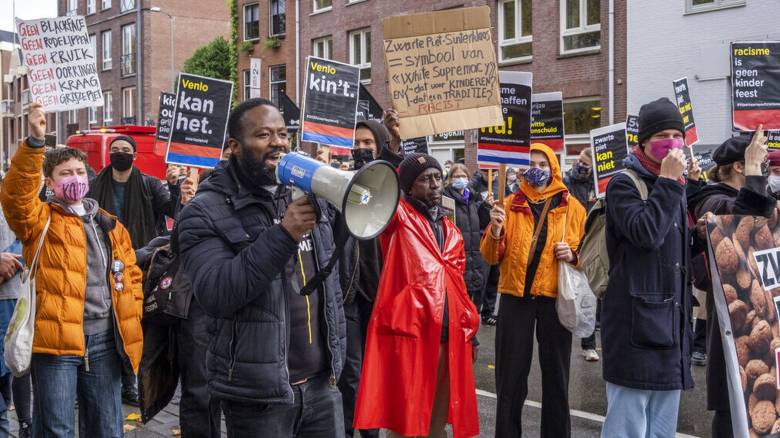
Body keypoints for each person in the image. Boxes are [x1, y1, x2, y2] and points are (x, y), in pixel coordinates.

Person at [177, 98, 346, 437]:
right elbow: (218, 293)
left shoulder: (306, 194)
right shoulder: (203, 211)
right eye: (264, 135)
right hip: (259, 397)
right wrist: (284, 234)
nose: (279, 143)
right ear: (234, 147)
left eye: (283, 134)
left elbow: (333, 283)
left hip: (322, 386)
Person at [1, 103, 143, 437]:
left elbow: (130, 274)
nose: (75, 179)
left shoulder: (109, 224)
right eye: (65, 174)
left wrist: (130, 312)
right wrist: (36, 142)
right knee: (56, 428)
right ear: (49, 182)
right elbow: (16, 199)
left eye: (79, 172)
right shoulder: (40, 221)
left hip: (105, 342)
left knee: (107, 427)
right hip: (56, 344)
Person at [354, 153, 480, 438]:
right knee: (407, 421)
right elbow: (374, 194)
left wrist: (471, 332)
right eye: (424, 179)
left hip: (448, 340)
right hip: (412, 338)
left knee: (437, 421)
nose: (434, 184)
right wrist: (390, 151)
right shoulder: (396, 218)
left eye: (437, 177)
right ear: (408, 187)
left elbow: (458, 286)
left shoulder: (450, 230)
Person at [599, 97, 696, 437]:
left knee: (660, 431)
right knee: (627, 428)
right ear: (643, 142)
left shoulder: (678, 188)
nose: (672, 142)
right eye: (663, 135)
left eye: (677, 134)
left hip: (670, 332)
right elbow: (646, 234)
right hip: (634, 332)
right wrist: (669, 183)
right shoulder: (624, 184)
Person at [481, 143, 586, 438]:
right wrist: (496, 232)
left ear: (553, 168)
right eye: (531, 163)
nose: (536, 169)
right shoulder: (508, 203)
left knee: (556, 380)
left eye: (542, 164)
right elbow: (490, 256)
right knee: (510, 380)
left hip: (555, 300)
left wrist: (573, 255)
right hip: (515, 299)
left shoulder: (571, 206)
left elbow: (587, 254)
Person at [88, 135, 195, 404]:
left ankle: (134, 379)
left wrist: (176, 188)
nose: (120, 154)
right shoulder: (94, 186)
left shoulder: (149, 184)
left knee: (137, 321)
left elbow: (173, 212)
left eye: (125, 150)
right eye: (115, 150)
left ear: (134, 156)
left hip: (142, 264)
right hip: (105, 262)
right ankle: (121, 378)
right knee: (113, 321)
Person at [687, 129, 775, 437]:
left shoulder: (748, 193)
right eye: (759, 161)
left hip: (761, 311)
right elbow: (743, 220)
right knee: (733, 399)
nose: (765, 166)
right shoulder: (710, 199)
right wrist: (755, 175)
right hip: (732, 319)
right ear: (740, 166)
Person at [337, 118, 402, 438]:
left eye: (368, 144)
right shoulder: (345, 180)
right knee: (351, 371)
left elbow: (391, 176)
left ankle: (371, 430)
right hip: (349, 291)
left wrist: (392, 146)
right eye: (357, 143)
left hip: (381, 295)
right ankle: (352, 429)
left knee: (375, 371)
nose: (361, 149)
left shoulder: (388, 185)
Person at [0, 174, 32, 438]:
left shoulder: (12, 201)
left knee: (15, 357)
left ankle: (25, 421)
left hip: (11, 295)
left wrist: (5, 266)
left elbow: (26, 240)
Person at [562, 148, 600, 362]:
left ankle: (589, 344)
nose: (581, 167)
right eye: (580, 162)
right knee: (568, 293)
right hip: (571, 242)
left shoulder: (598, 186)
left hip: (591, 243)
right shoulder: (567, 181)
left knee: (588, 295)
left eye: (586, 165)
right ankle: (564, 337)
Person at [444, 163, 492, 321]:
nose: (460, 179)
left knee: (473, 295)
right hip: (458, 256)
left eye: (463, 176)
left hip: (475, 255)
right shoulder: (446, 200)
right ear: (450, 179)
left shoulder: (472, 198)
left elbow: (481, 223)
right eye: (456, 176)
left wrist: (486, 207)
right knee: (458, 298)